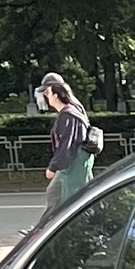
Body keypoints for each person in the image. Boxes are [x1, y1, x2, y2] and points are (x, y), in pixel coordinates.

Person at [37, 72, 100, 209]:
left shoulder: (68, 115)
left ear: (55, 94)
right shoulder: (72, 109)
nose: (46, 97)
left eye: (47, 93)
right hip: (74, 161)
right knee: (55, 193)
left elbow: (67, 143)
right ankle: (46, 227)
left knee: (74, 202)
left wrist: (53, 167)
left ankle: (80, 227)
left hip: (73, 162)